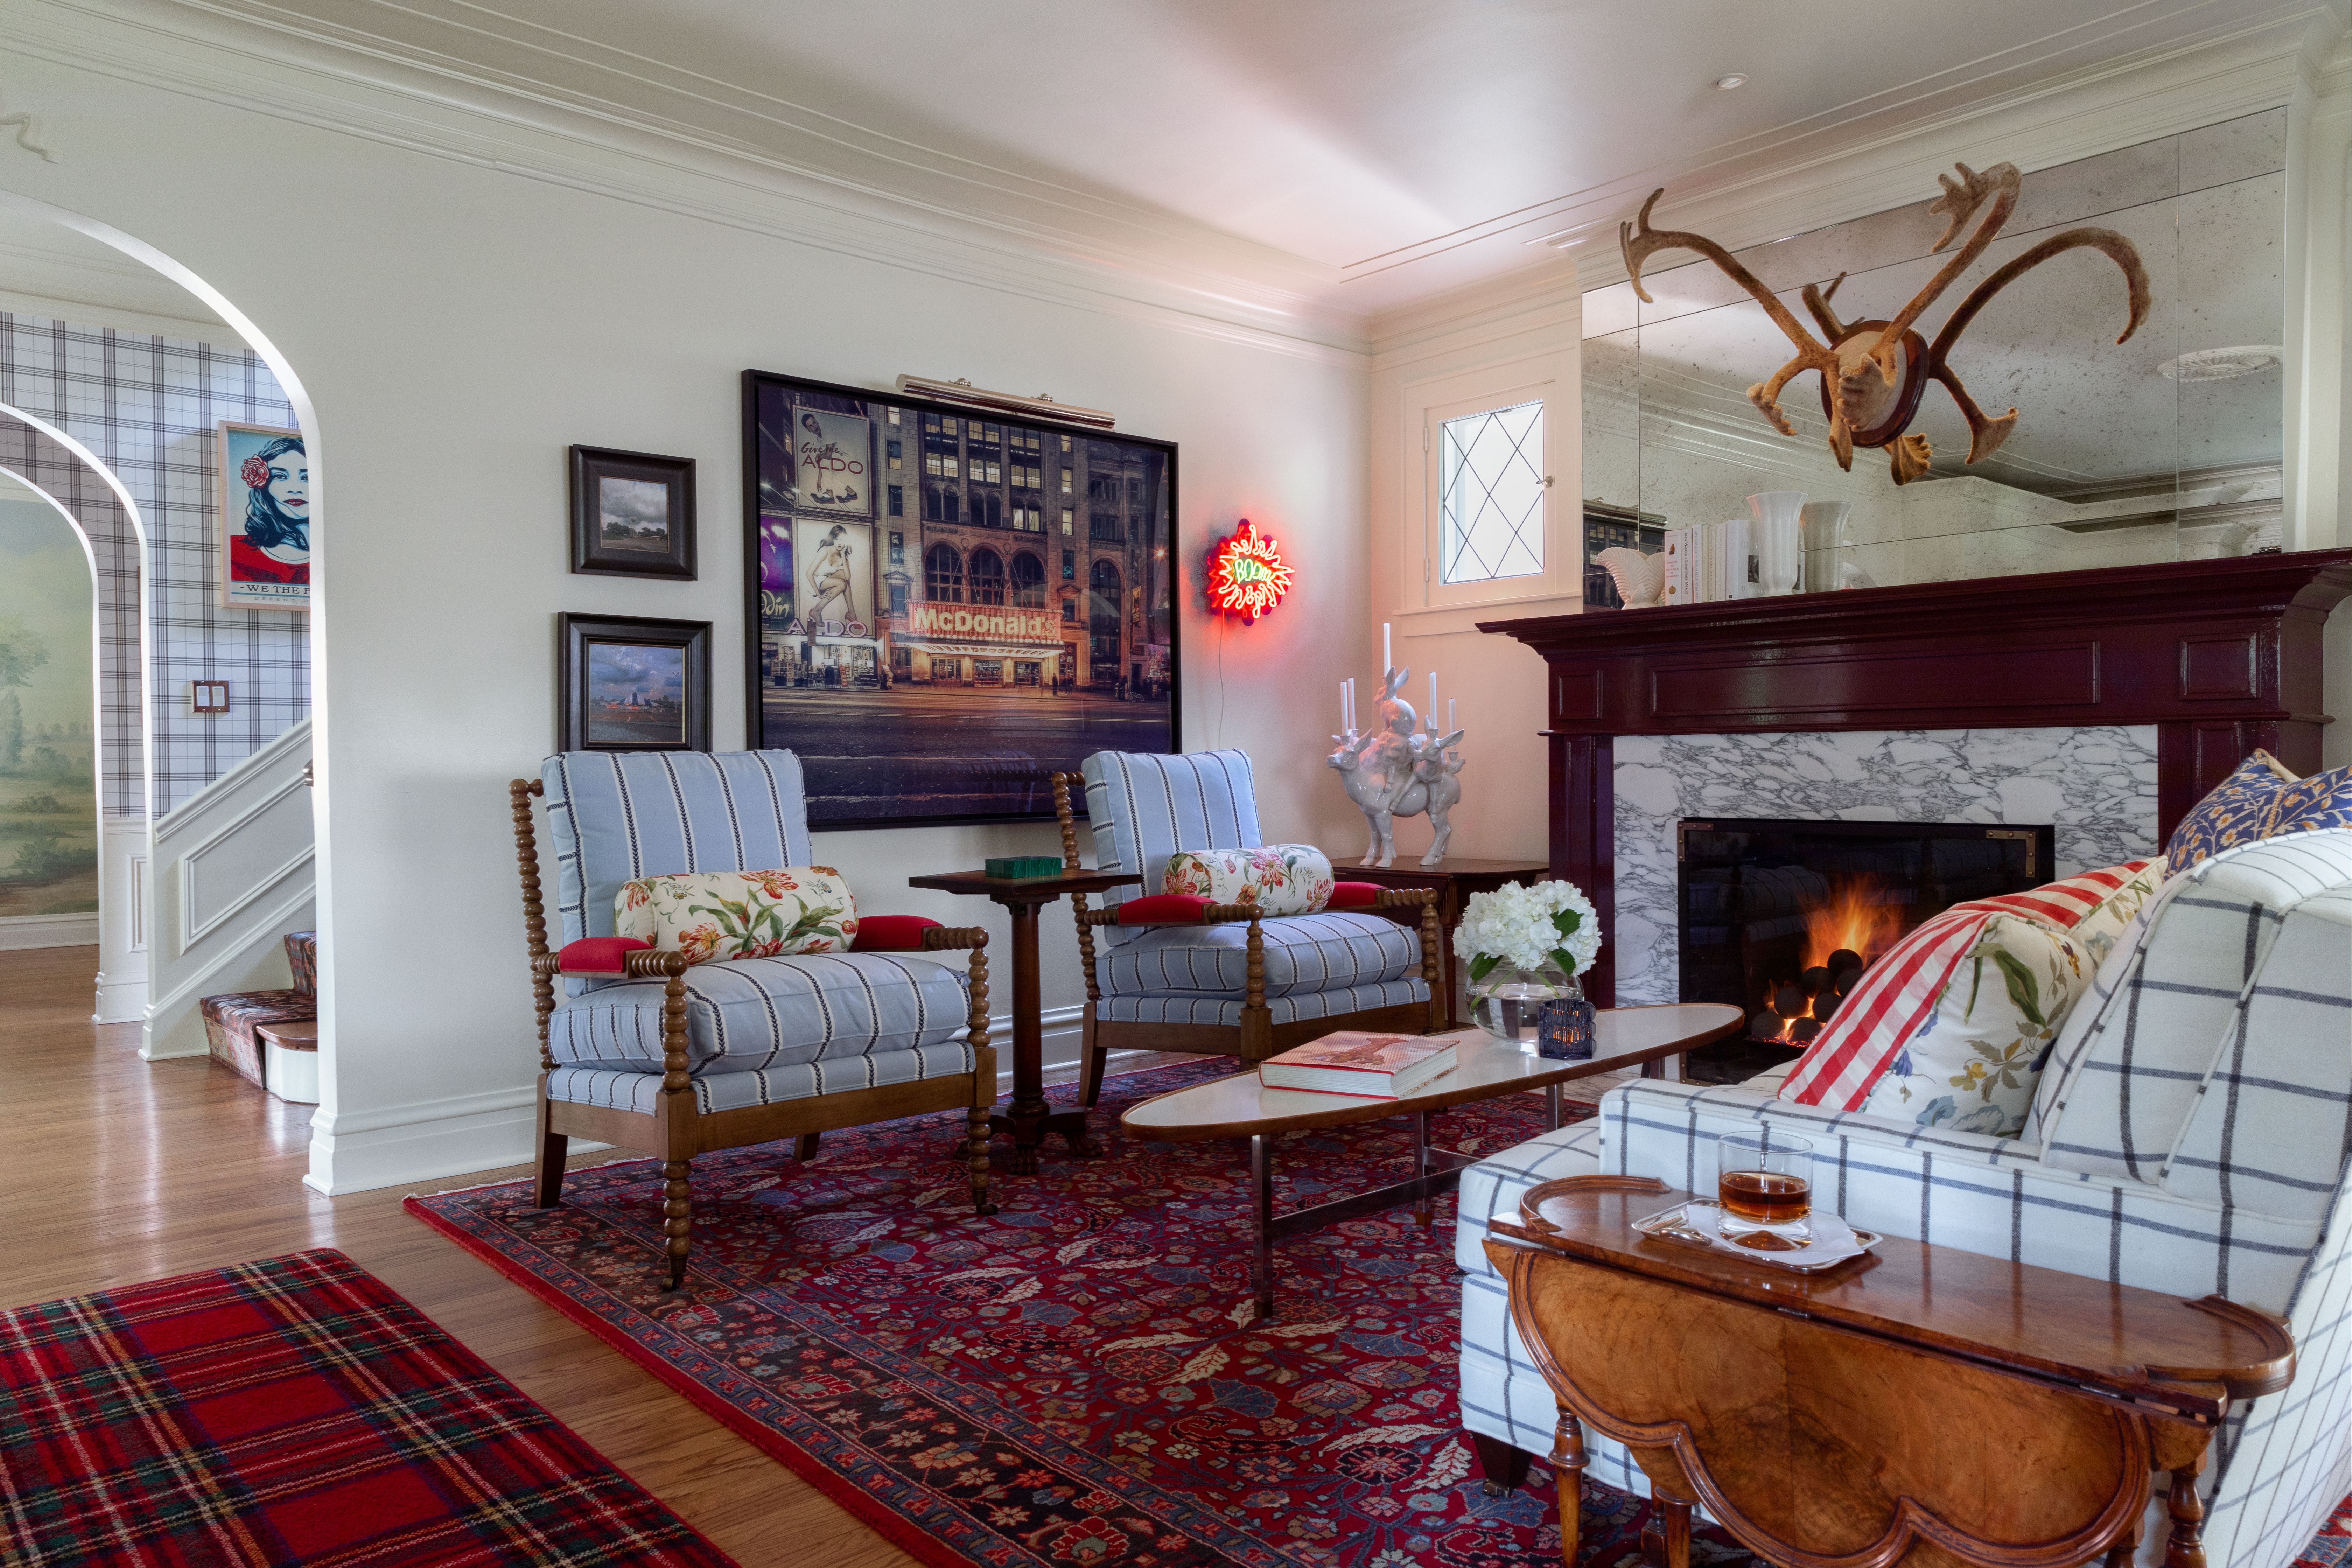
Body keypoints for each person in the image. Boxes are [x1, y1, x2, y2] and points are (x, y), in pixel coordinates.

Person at [231, 436, 309, 586]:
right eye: (280, 476)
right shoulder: (236, 552)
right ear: (264, 485)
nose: (295, 489)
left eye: (306, 478)